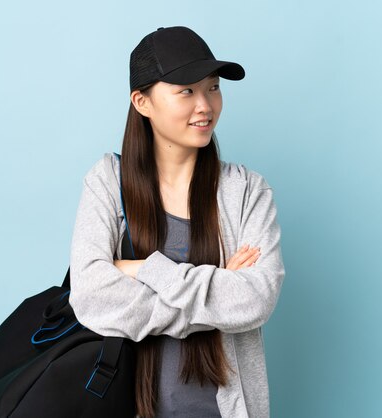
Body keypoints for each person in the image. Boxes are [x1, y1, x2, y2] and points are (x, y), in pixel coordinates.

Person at [69, 26, 285, 418]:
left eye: (213, 88)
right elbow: (90, 297)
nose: (205, 105)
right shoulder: (106, 182)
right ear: (142, 102)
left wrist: (145, 269)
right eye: (186, 90)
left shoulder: (246, 191)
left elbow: (255, 299)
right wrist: (218, 289)